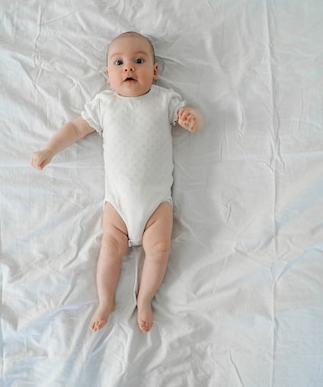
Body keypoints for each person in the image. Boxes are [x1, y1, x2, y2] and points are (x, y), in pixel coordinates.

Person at [30, 32, 204, 333]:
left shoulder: (164, 100)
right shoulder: (104, 104)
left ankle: (145, 297)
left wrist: (192, 119)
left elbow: (194, 118)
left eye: (139, 61)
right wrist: (49, 149)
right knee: (110, 248)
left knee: (160, 249)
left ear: (155, 71)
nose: (129, 68)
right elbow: (74, 128)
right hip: (118, 204)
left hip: (156, 204)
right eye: (119, 63)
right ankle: (105, 300)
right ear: (107, 74)